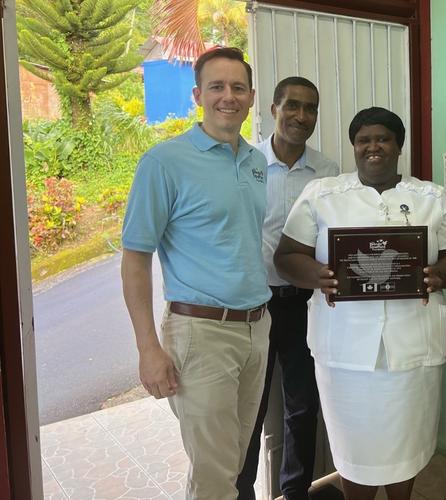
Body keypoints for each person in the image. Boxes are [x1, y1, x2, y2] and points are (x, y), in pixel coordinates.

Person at [274, 107, 446, 500]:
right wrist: (319, 276)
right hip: (343, 351)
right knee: (353, 445)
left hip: (412, 346)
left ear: (399, 145)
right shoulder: (322, 194)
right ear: (354, 146)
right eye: (364, 140)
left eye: (383, 138)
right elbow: (286, 256)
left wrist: (438, 276)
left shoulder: (432, 197)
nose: (373, 146)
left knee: (407, 441)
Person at [121, 47, 272, 499]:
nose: (229, 96)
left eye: (238, 87)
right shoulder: (164, 163)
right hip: (201, 334)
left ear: (250, 97)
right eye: (217, 87)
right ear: (198, 95)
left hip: (256, 329)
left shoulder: (256, 161)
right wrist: (149, 348)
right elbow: (135, 260)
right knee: (215, 474)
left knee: (234, 463)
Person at [237, 77, 339, 500]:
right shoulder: (244, 163)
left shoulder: (328, 172)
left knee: (302, 407)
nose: (302, 116)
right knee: (249, 409)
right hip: (255, 306)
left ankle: (294, 492)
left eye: (311, 108)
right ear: (273, 109)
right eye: (292, 106)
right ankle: (241, 492)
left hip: (304, 304)